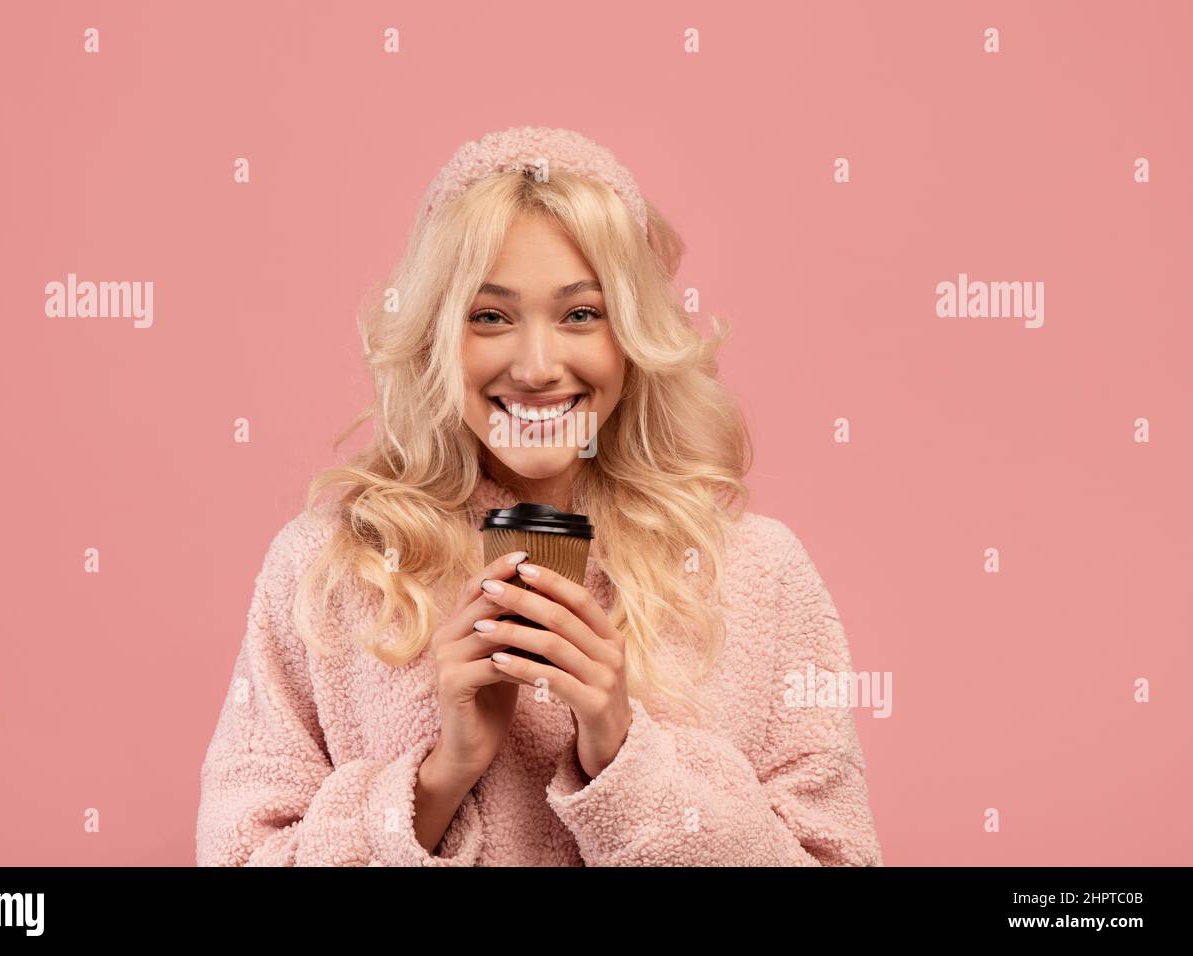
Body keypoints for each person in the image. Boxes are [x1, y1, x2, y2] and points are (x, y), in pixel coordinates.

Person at [195, 126, 884, 866]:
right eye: (489, 316)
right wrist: (437, 779)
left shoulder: (756, 573)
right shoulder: (329, 568)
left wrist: (623, 756)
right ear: (436, 336)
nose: (536, 365)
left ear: (632, 334)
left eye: (581, 313)